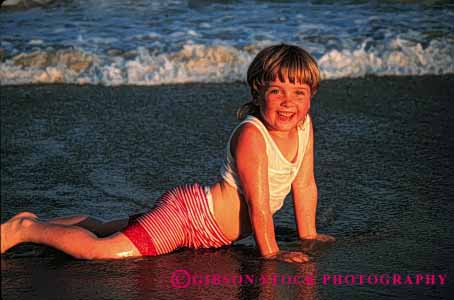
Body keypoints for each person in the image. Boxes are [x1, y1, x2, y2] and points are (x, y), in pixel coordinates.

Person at [1, 44, 334, 263]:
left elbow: (304, 184)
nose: (288, 101)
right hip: (190, 219)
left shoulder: (303, 126)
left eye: (298, 92)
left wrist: (307, 235)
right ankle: (25, 229)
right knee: (103, 251)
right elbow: (258, 206)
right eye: (276, 90)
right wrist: (272, 254)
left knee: (108, 227)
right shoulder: (252, 136)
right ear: (257, 93)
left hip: (200, 224)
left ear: (312, 95)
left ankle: (38, 223)